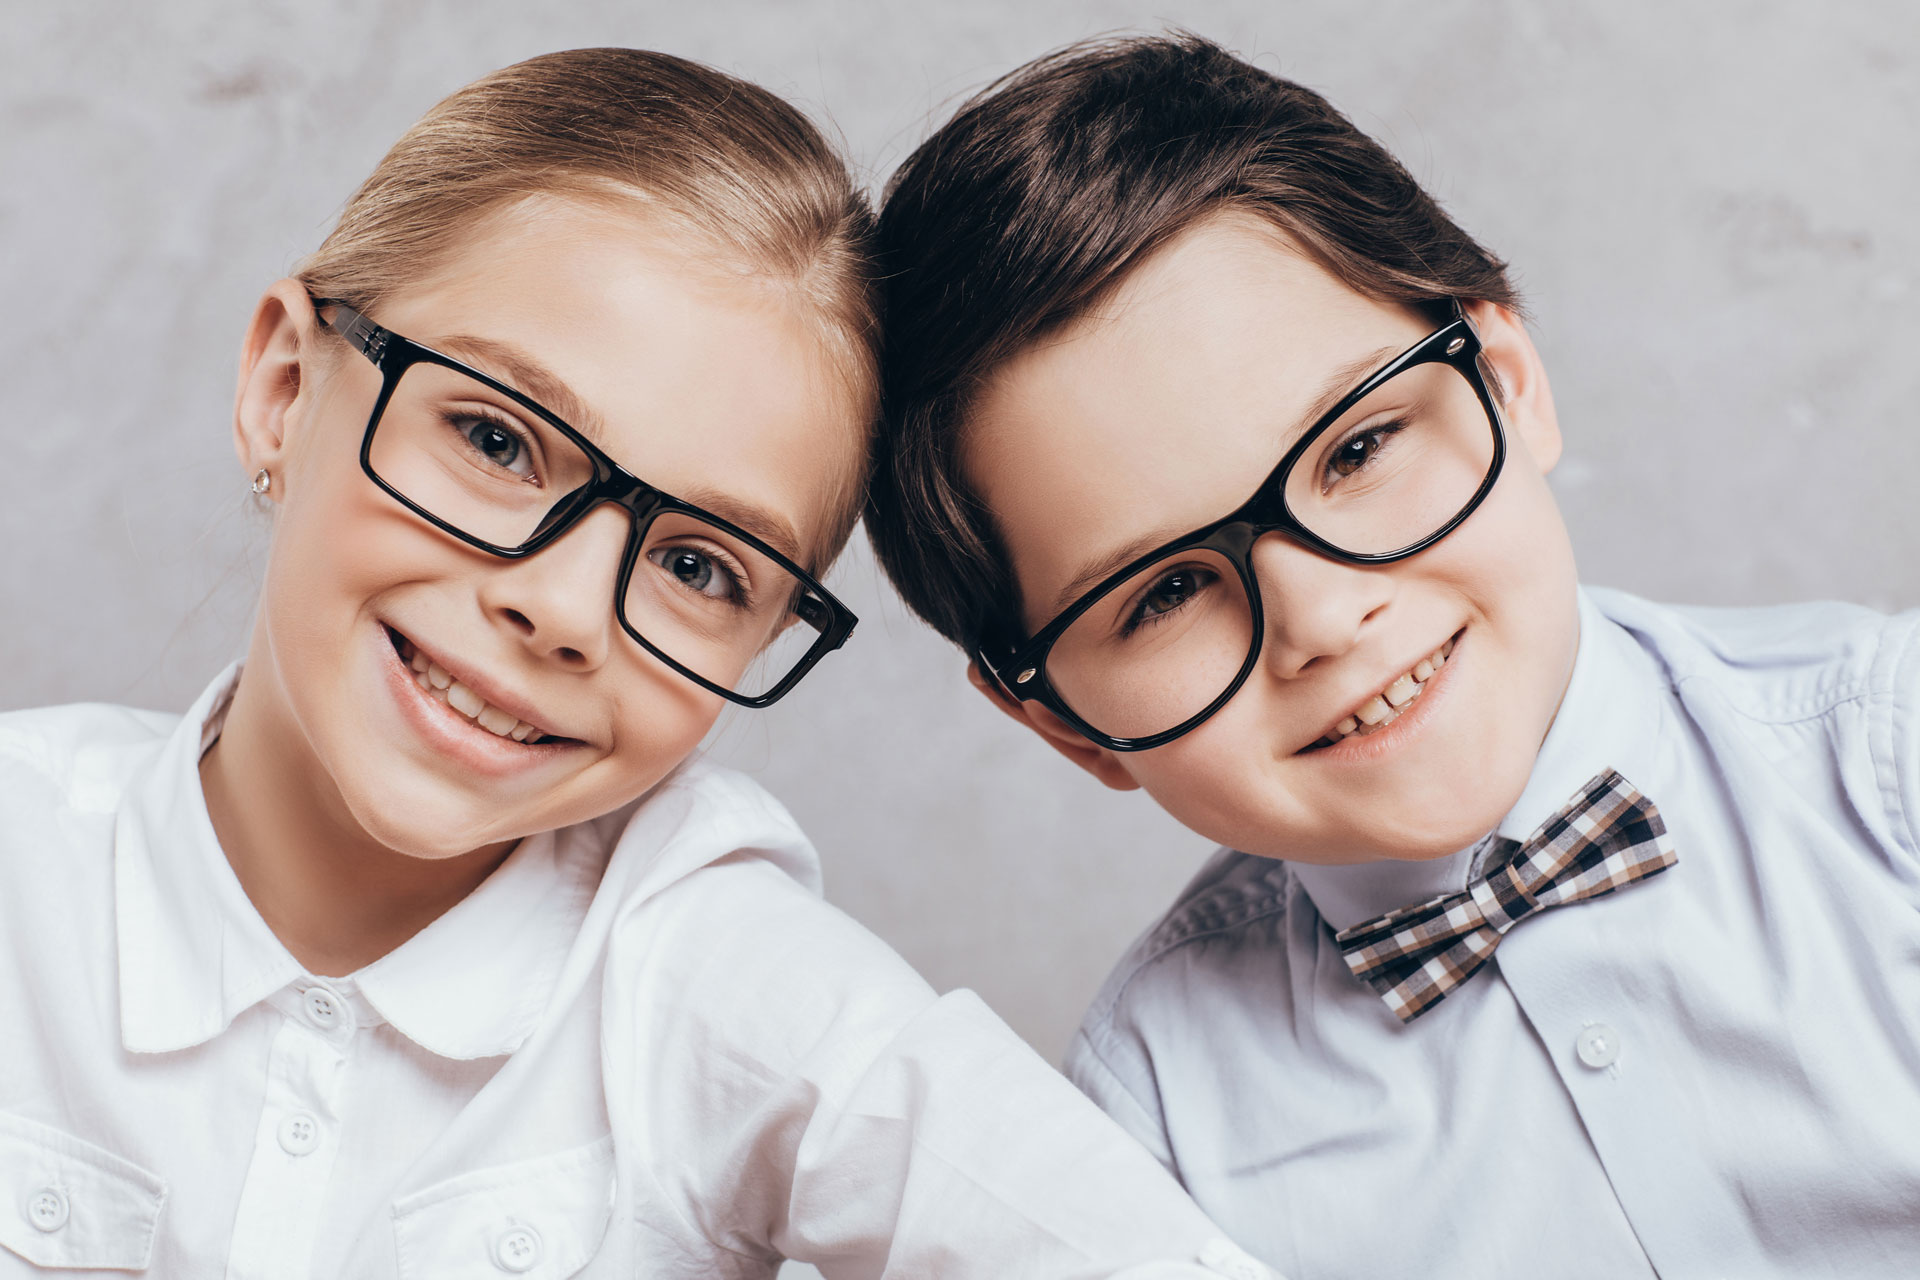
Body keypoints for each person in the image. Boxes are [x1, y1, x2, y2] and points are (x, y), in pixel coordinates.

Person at [0, 47, 1283, 1279]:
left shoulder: (705, 965)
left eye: (699, 566)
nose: (565, 607)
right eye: (499, 440)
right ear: (286, 386)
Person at [865, 32, 1920, 1280]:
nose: (1319, 618)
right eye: (1166, 591)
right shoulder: (1150, 1118)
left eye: (1356, 450)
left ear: (1511, 381)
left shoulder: (1886, 753)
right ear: (1063, 725)